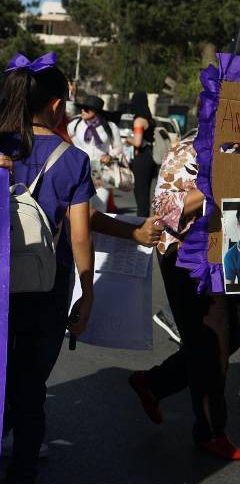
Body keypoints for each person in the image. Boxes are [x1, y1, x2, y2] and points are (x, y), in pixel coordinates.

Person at [0, 52, 97, 484]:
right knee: (30, 391)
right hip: (46, 287)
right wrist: (86, 295)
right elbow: (81, 236)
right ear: (51, 105)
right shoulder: (74, 161)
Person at [128, 123, 240, 460]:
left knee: (228, 335)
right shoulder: (188, 150)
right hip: (189, 257)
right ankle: (209, 430)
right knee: (212, 340)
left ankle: (155, 384)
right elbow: (162, 210)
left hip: (231, 253)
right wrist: (212, 190)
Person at [67, 95, 124, 211]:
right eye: (81, 108)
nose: (82, 111)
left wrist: (110, 155)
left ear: (96, 111)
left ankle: (97, 229)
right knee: (81, 207)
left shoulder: (110, 127)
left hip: (101, 171)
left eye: (86, 109)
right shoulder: (75, 124)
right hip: (79, 169)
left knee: (100, 207)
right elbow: (66, 141)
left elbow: (119, 148)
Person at [124, 90, 157, 216]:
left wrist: (127, 140)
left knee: (140, 194)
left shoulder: (138, 121)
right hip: (150, 158)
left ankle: (142, 223)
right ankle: (145, 220)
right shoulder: (149, 119)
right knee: (146, 193)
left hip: (141, 159)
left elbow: (137, 142)